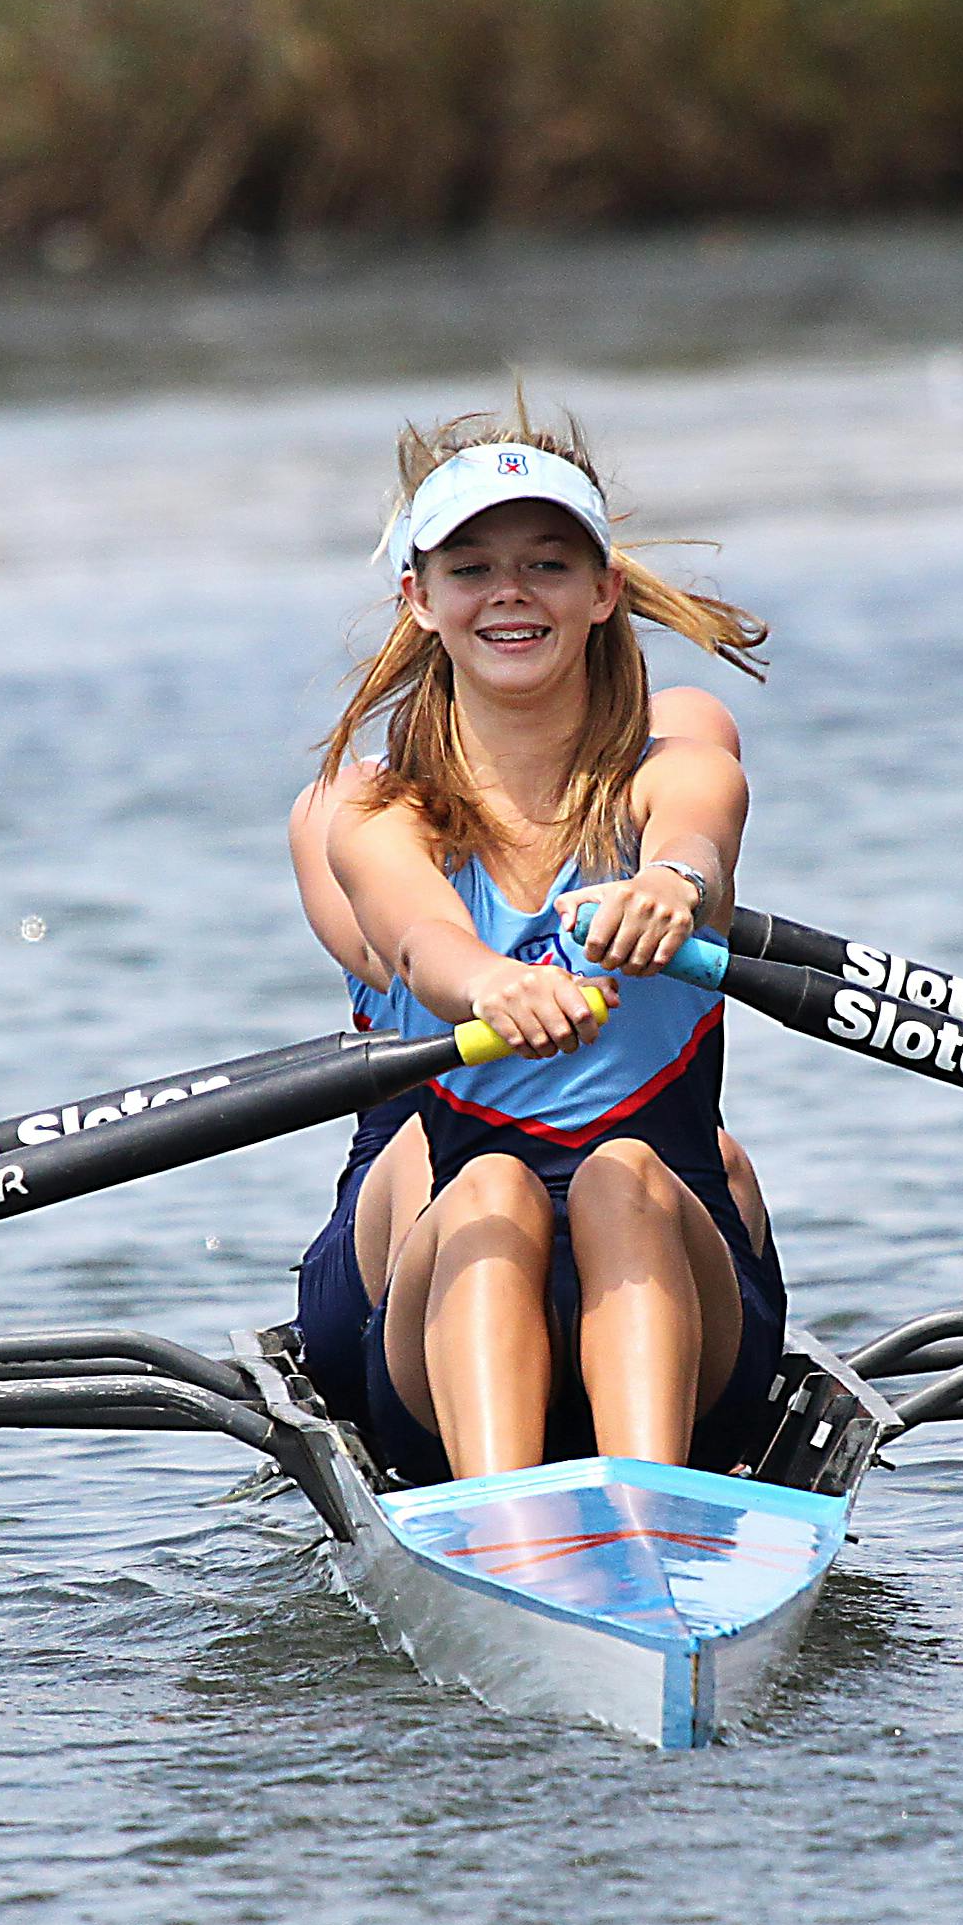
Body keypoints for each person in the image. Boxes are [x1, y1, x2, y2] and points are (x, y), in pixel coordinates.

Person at [295, 406, 784, 1481]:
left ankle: (653, 1517)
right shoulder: (377, 817)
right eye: (472, 568)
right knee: (489, 1188)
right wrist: (489, 986)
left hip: (686, 1306)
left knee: (625, 1176)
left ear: (604, 591)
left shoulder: (671, 768)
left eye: (548, 564)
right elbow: (422, 942)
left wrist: (670, 886)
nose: (511, 592)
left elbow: (699, 834)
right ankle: (507, 1524)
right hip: (451, 1293)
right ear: (418, 602)